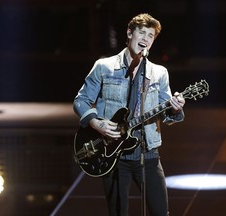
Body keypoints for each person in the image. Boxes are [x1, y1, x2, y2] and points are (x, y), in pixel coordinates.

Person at [73, 13, 185, 216]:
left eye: (150, 36)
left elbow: (167, 114)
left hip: (147, 153)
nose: (145, 39)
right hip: (112, 155)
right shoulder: (104, 67)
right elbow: (81, 100)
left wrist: (175, 108)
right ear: (129, 33)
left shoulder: (158, 73)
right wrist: (96, 123)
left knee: (161, 212)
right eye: (142, 33)